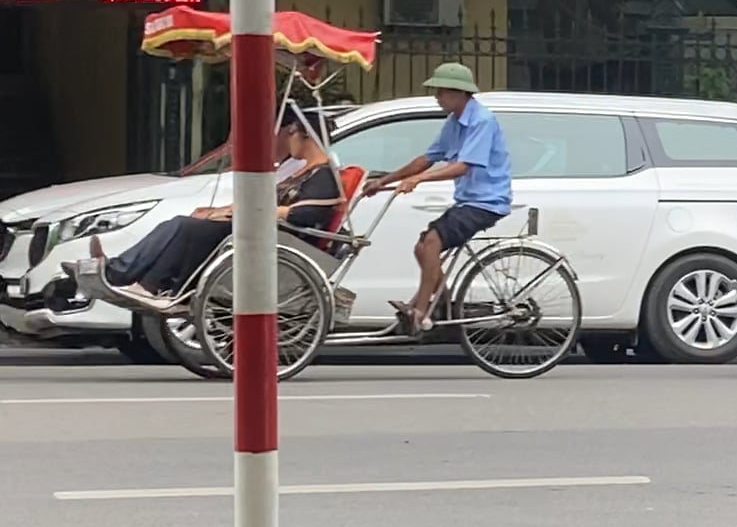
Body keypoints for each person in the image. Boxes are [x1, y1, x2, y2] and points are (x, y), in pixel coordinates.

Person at [89, 106, 341, 308]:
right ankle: (126, 275)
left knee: (186, 228)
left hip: (278, 237)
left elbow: (307, 214)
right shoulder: (302, 172)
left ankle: (139, 281)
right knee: (182, 223)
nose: (289, 139)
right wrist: (223, 212)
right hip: (262, 229)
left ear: (306, 136)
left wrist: (261, 212)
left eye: (292, 132)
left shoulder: (323, 175)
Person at [361, 62, 512, 331]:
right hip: (467, 200)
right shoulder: (454, 122)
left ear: (460, 93)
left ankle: (420, 312)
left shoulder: (482, 121)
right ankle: (443, 305)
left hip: (486, 202)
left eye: (441, 91)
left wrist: (419, 180)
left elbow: (464, 166)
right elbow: (426, 159)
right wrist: (384, 181)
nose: (437, 97)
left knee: (431, 241)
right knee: (422, 248)